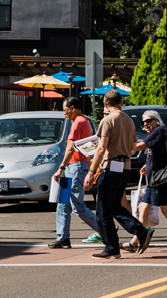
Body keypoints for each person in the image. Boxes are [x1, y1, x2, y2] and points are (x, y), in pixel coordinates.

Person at [83, 90, 152, 259]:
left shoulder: (107, 120)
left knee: (102, 210)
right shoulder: (129, 121)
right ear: (121, 102)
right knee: (115, 207)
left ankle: (112, 247)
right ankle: (140, 231)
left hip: (111, 166)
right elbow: (134, 148)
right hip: (126, 167)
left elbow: (101, 148)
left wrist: (91, 172)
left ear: (105, 104)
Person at [130, 110, 167, 254]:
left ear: (156, 120)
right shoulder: (160, 133)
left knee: (166, 211)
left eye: (148, 121)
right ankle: (135, 241)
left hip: (158, 180)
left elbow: (138, 147)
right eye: (143, 122)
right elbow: (160, 154)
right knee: (144, 208)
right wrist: (147, 165)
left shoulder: (159, 131)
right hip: (155, 180)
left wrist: (126, 138)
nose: (145, 124)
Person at [48, 97, 100, 249]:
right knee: (63, 204)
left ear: (73, 108)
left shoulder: (78, 123)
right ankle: (62, 238)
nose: (64, 113)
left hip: (74, 167)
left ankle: (104, 228)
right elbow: (89, 147)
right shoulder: (85, 121)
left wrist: (60, 168)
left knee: (76, 205)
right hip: (74, 167)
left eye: (65, 110)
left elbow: (71, 148)